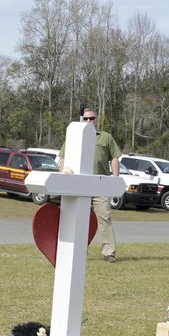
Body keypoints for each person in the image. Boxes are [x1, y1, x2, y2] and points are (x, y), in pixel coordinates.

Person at [58, 107, 122, 263]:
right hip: (80, 186)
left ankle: (109, 253)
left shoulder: (106, 137)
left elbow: (114, 157)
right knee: (79, 219)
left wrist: (115, 178)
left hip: (100, 184)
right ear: (81, 120)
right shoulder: (74, 136)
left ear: (96, 120)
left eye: (92, 118)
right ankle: (79, 251)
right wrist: (64, 178)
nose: (88, 121)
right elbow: (62, 158)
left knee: (104, 217)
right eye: (86, 118)